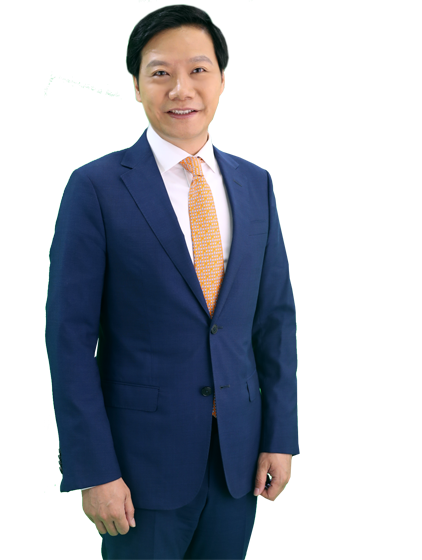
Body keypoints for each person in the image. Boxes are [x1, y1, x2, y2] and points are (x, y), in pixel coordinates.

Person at [45, 4, 299, 559]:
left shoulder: (255, 185)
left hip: (238, 461)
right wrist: (94, 469)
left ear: (222, 80)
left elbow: (275, 323)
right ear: (138, 87)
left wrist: (281, 437)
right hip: (138, 470)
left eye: (198, 70)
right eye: (161, 72)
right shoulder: (96, 187)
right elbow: (69, 340)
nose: (181, 89)